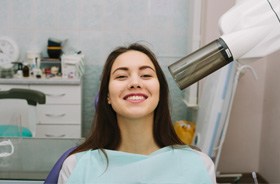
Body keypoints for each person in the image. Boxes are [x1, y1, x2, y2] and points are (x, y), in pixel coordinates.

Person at [57, 43, 216, 183]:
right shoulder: (76, 167)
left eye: (146, 75)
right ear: (107, 96)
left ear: (159, 91)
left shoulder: (199, 166)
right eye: (121, 76)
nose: (134, 83)